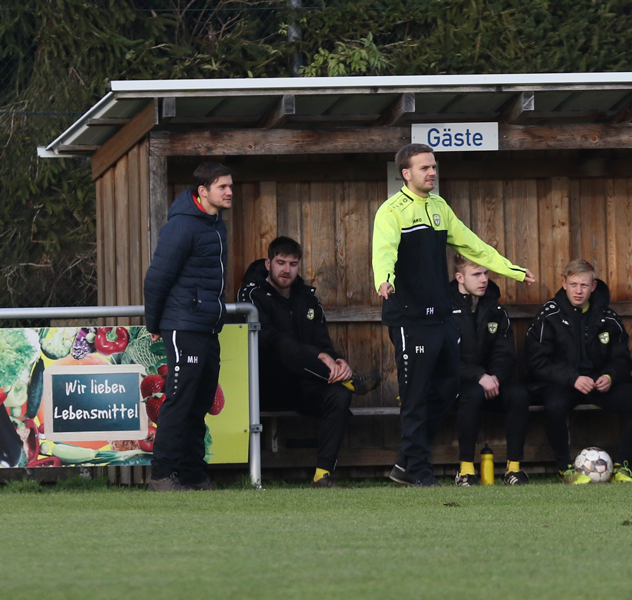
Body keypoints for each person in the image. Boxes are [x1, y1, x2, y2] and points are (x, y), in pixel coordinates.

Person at [372, 143, 534, 487]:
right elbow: (384, 251)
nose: (432, 172)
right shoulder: (391, 211)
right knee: (415, 396)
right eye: (424, 168)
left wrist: (513, 270)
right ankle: (419, 472)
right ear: (406, 173)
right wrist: (383, 279)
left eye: (434, 166)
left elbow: (472, 245)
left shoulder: (439, 207)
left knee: (447, 390)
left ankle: (406, 463)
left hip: (441, 317)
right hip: (410, 318)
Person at [237, 236, 381, 488]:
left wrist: (338, 360)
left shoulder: (307, 298)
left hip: (304, 384)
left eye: (293, 264)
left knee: (339, 395)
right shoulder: (252, 294)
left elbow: (323, 343)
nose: (287, 270)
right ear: (268, 263)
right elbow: (268, 342)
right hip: (266, 385)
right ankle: (349, 381)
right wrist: (318, 356)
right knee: (280, 344)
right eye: (281, 263)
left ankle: (321, 476)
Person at [143, 163, 233, 492]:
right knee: (179, 400)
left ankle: (193, 474)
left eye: (230, 186)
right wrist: (154, 322)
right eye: (222, 187)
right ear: (203, 191)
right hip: (183, 326)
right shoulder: (181, 226)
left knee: (200, 401)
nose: (229, 192)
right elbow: (156, 278)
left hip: (208, 327)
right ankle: (161, 475)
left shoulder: (217, 225)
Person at [525, 259, 632, 484]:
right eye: (573, 284)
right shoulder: (548, 316)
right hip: (563, 384)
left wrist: (610, 376)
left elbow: (623, 359)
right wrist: (573, 378)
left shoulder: (608, 317)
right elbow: (537, 362)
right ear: (564, 283)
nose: (578, 291)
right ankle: (566, 470)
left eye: (584, 285)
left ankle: (622, 467)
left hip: (598, 385)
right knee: (554, 405)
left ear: (593, 286)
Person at [450, 254, 531, 486]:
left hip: (492, 382)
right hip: (456, 384)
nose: (484, 279)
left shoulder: (496, 310)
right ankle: (465, 471)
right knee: (472, 393)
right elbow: (444, 360)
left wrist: (494, 376)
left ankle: (513, 470)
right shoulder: (444, 310)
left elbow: (506, 354)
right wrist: (478, 376)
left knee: (519, 394)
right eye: (476, 274)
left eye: (486, 273)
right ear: (460, 277)